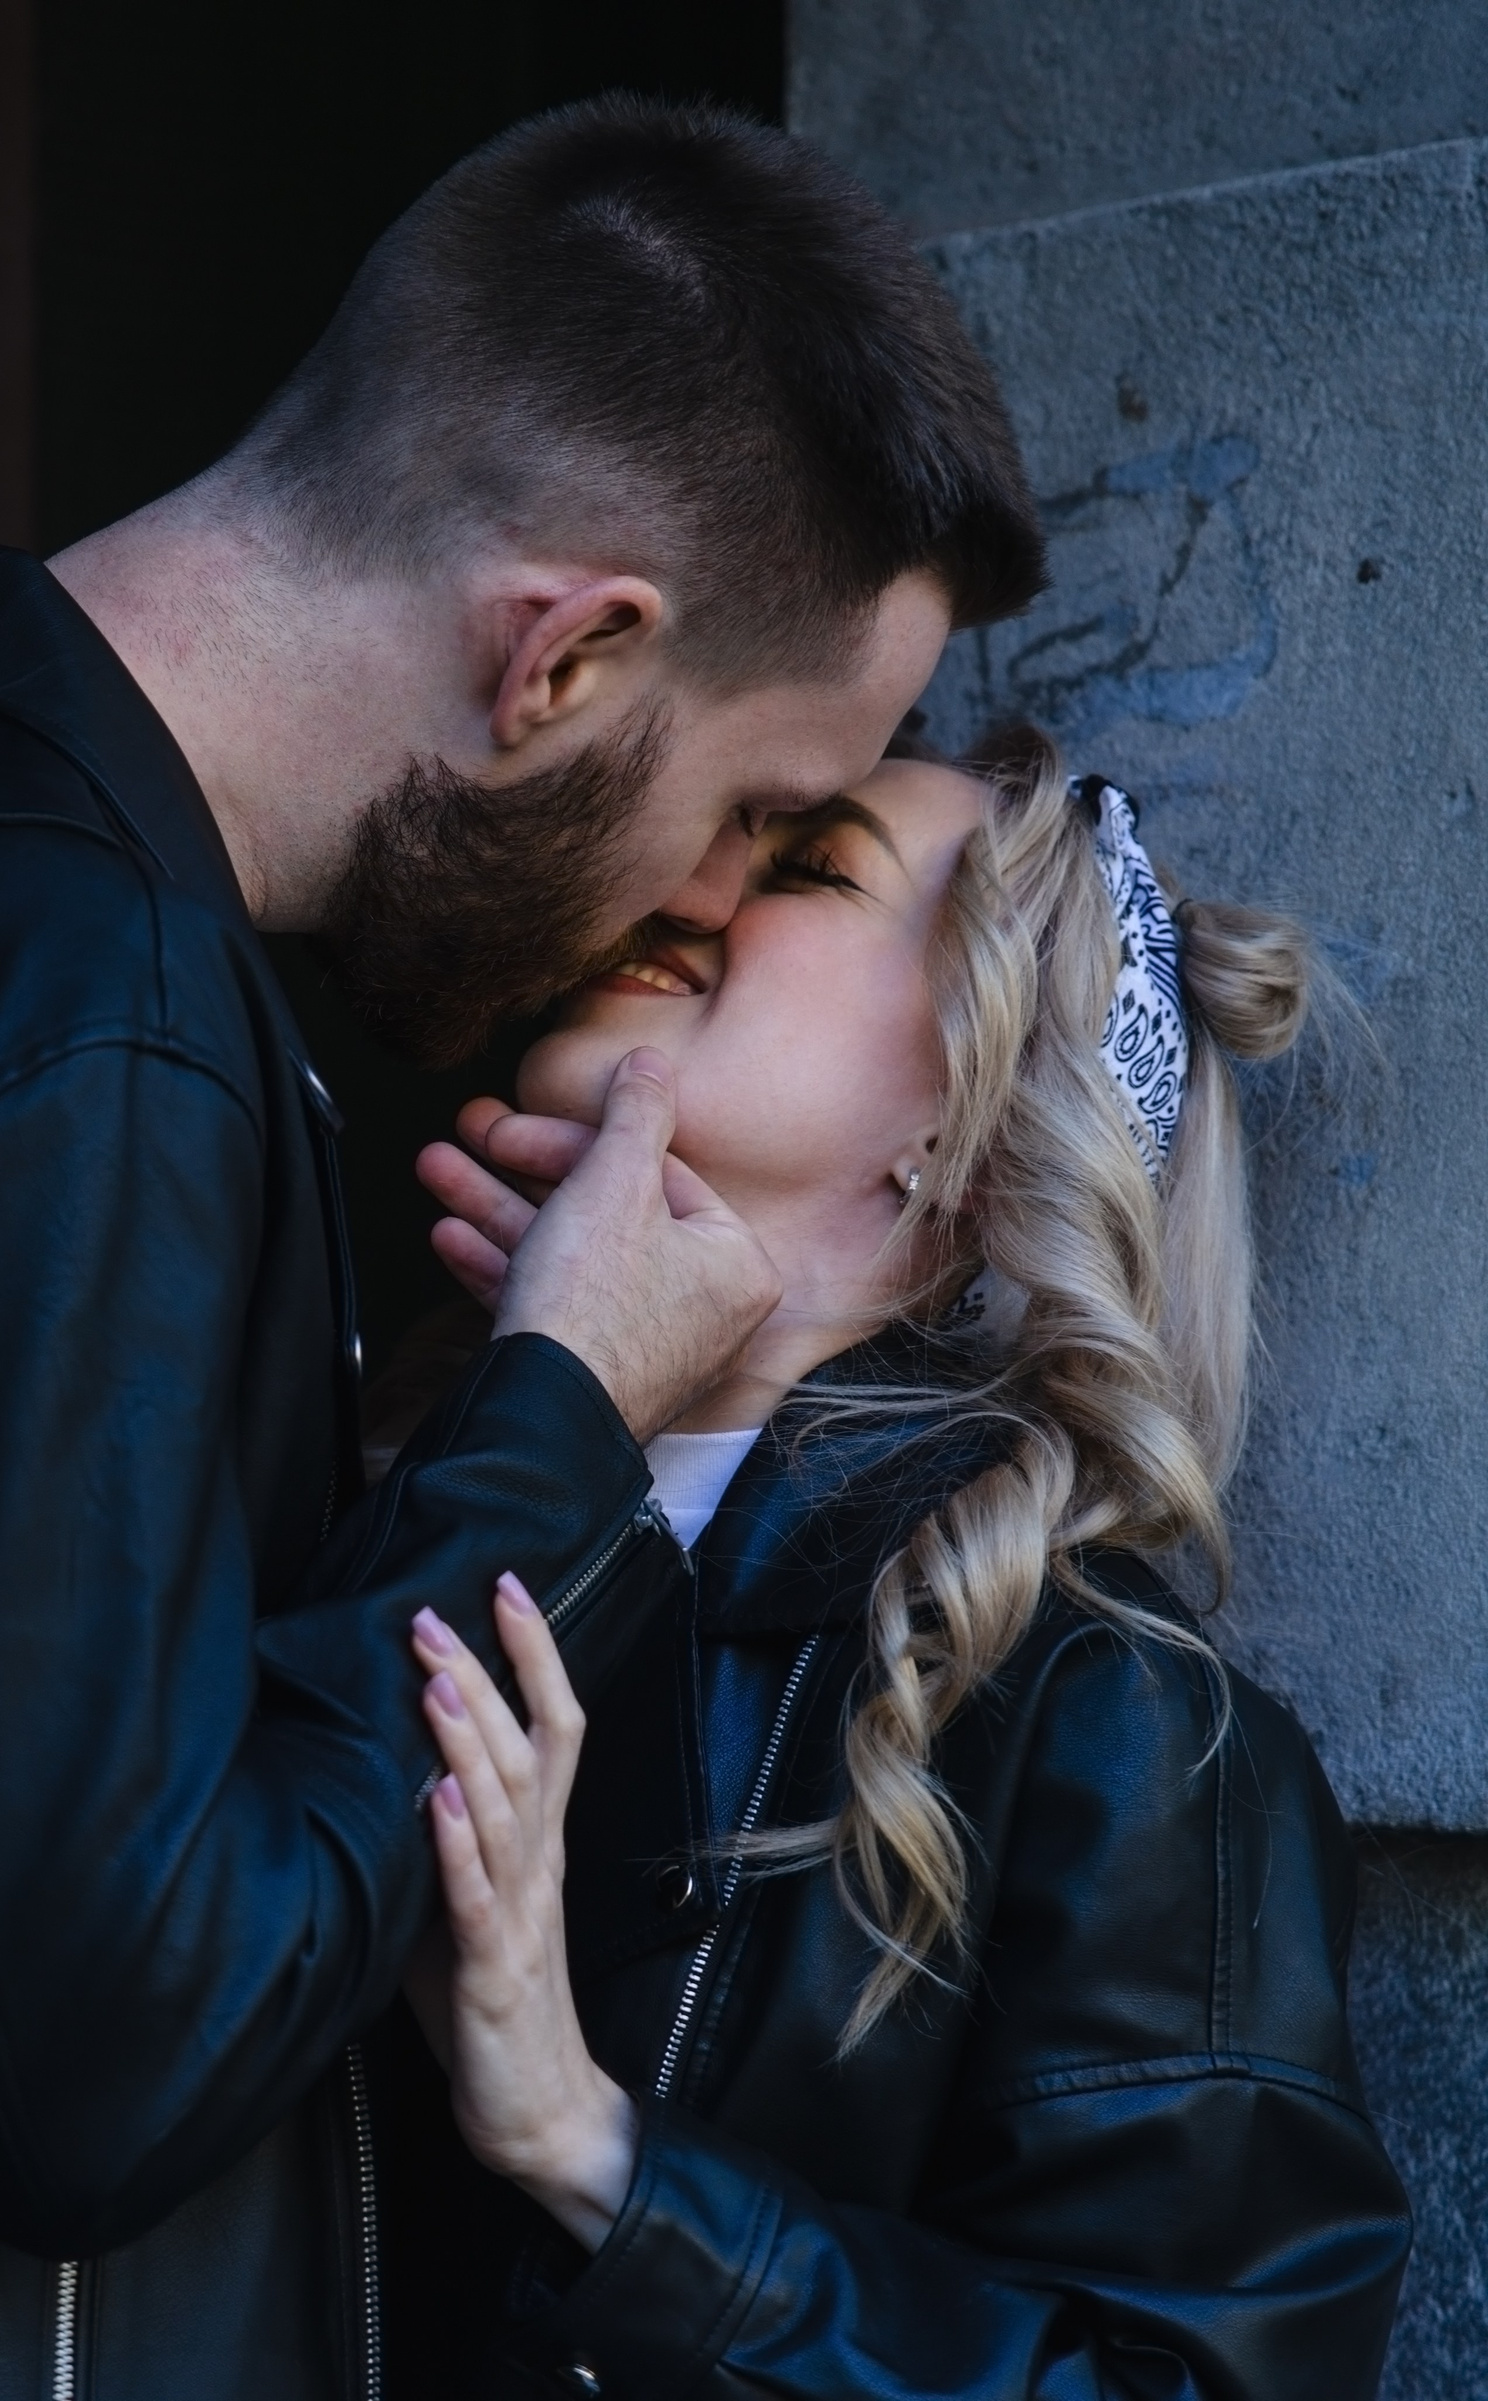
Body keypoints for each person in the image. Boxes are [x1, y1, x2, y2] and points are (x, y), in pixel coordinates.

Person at [0, 102, 1045, 2400]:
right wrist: (556, 1420)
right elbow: (92, 2071)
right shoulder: (83, 1016)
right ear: (564, 659)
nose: (709, 903)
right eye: (756, 808)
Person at [374, 729, 1411, 2398]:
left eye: (808, 865)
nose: (687, 882)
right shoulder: (377, 1500)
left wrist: (592, 2150)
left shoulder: (1111, 1725)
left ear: (966, 1131)